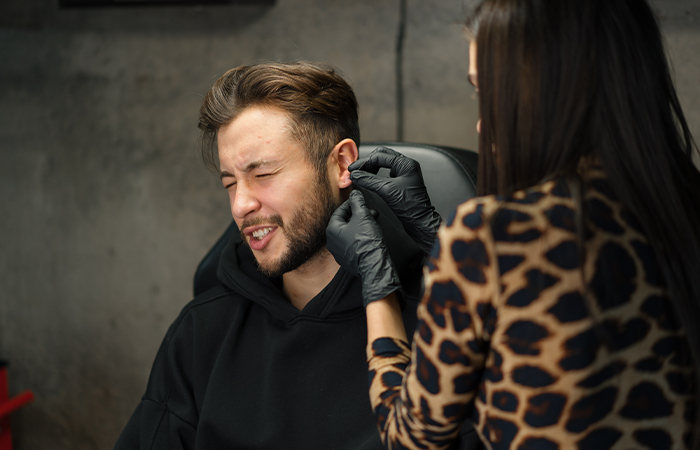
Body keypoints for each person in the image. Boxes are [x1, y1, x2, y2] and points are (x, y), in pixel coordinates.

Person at [327, 1, 700, 449]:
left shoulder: (492, 235)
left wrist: (377, 283)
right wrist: (439, 238)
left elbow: (413, 438)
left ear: (555, 92)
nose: (483, 122)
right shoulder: (683, 205)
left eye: (490, 93)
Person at [114, 62, 482, 449]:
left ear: (342, 164)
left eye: (264, 174)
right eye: (229, 182)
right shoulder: (202, 332)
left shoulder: (445, 320)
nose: (240, 204)